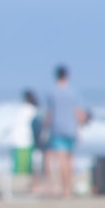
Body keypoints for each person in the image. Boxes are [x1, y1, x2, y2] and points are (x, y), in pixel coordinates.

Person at [42, 66, 87, 198]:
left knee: (61, 161)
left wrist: (45, 130)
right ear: (67, 75)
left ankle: (65, 189)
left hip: (57, 129)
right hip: (71, 129)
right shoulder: (73, 92)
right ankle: (69, 187)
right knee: (70, 161)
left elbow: (49, 114)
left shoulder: (52, 92)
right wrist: (80, 129)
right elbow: (79, 113)